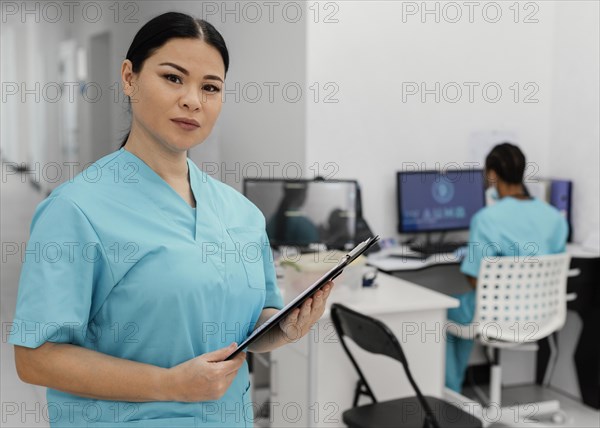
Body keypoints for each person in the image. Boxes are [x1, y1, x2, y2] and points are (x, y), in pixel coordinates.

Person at [9, 12, 333, 427]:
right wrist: (170, 384)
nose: (193, 100)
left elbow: (249, 327)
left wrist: (285, 329)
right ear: (129, 77)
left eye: (210, 87)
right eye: (173, 78)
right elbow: (36, 359)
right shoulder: (76, 210)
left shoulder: (242, 214)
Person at [445, 142, 569, 393]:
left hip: (497, 316)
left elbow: (475, 281)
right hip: (539, 314)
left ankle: (450, 392)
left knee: (443, 308)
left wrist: (467, 257)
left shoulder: (486, 219)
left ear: (492, 174)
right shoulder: (555, 217)